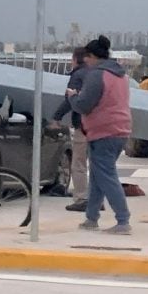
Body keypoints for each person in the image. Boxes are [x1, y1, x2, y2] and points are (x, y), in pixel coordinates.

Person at [67, 35, 132, 235]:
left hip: (103, 132)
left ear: (94, 56)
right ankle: (91, 217)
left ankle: (123, 220)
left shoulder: (97, 75)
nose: (84, 61)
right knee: (97, 176)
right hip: (120, 129)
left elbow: (85, 105)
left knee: (107, 175)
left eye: (87, 56)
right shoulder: (121, 75)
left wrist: (72, 97)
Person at [50, 47, 90, 211]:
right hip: (97, 125)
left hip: (82, 125)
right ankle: (96, 199)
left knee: (78, 164)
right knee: (96, 165)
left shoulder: (77, 75)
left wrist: (56, 117)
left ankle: (81, 199)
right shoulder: (95, 74)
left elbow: (70, 99)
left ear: (75, 60)